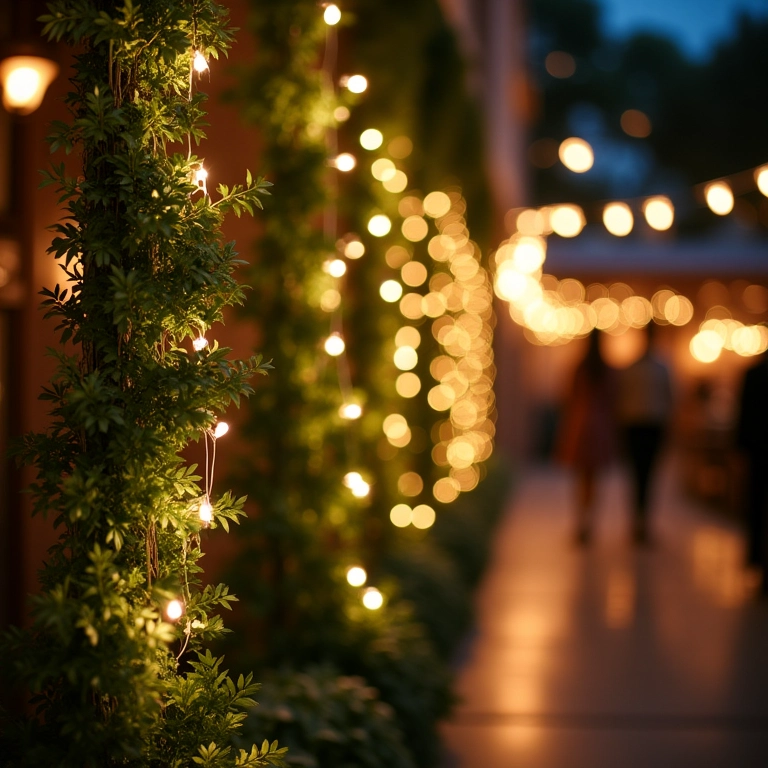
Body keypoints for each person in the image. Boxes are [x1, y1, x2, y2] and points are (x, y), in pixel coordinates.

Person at [557, 331, 619, 544]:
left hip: (581, 425)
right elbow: (613, 399)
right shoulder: (607, 369)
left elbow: (568, 396)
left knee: (580, 478)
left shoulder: (580, 367)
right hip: (600, 426)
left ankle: (581, 523)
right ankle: (590, 523)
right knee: (595, 478)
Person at [616, 323, 673, 545]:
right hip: (635, 427)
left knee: (648, 477)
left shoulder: (661, 368)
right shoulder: (639, 368)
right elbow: (622, 400)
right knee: (636, 476)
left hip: (652, 427)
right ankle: (637, 522)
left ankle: (643, 522)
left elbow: (669, 400)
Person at [735, 350, 768, 591]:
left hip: (756, 451)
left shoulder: (752, 374)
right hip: (757, 451)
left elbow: (743, 416)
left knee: (756, 507)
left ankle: (756, 559)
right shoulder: (752, 374)